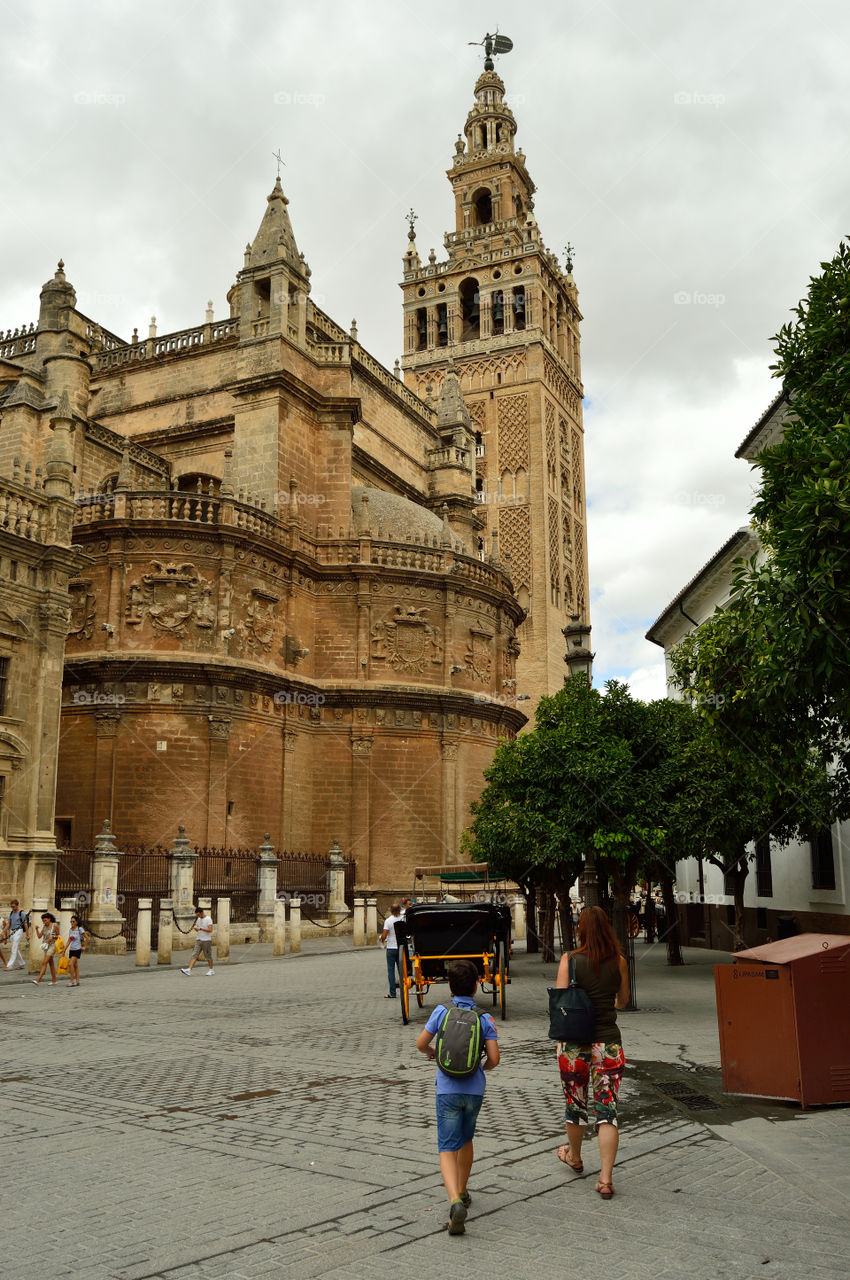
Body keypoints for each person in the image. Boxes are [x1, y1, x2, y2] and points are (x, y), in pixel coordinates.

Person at [416, 959, 499, 1235]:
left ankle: (454, 1202)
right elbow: (495, 1058)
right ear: (477, 987)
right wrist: (481, 1068)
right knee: (466, 1139)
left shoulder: (441, 1012)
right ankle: (463, 1191)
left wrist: (433, 1054)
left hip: (447, 1090)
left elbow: (420, 1043)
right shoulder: (484, 1018)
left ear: (450, 987)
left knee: (446, 1147)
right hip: (474, 1089)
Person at [555, 904, 629, 1201]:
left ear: (581, 930)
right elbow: (622, 1001)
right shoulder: (620, 961)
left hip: (574, 1046)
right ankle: (606, 1178)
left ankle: (574, 1156)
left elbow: (561, 1003)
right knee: (607, 1110)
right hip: (608, 1045)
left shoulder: (570, 960)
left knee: (576, 1105)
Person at [181, 906, 214, 976]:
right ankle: (189, 970)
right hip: (198, 939)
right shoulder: (198, 919)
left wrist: (200, 929)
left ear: (202, 913)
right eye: (197, 915)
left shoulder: (208, 919)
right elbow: (197, 927)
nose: (198, 916)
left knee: (208, 956)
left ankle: (211, 970)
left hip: (206, 940)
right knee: (194, 955)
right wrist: (196, 928)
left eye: (198, 914)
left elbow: (210, 930)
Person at [380, 902, 403, 998]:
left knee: (391, 971)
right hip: (401, 948)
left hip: (391, 948)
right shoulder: (403, 919)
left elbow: (384, 935)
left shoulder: (388, 921)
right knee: (401, 971)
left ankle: (392, 993)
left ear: (391, 910)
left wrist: (381, 938)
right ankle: (403, 990)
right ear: (399, 910)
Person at [32, 912, 60, 985]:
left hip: (52, 945)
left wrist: (53, 937)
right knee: (51, 963)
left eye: (45, 920)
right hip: (46, 946)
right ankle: (54, 981)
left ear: (49, 919)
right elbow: (39, 936)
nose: (44, 922)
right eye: (43, 921)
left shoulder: (55, 925)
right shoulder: (44, 927)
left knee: (44, 962)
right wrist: (37, 929)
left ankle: (38, 980)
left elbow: (59, 936)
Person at [5, 899, 29, 970]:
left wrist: (27, 935)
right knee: (15, 947)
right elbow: (9, 923)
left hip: (19, 930)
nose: (13, 908)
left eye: (14, 907)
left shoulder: (21, 913)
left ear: (17, 905)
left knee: (14, 947)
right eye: (11, 907)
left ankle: (10, 965)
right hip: (12, 931)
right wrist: (4, 931)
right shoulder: (11, 913)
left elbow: (25, 924)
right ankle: (21, 963)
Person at [66, 915, 87, 987]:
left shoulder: (80, 929)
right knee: (75, 966)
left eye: (73, 921)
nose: (72, 923)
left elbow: (86, 937)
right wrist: (64, 949)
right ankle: (77, 981)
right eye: (71, 921)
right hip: (72, 949)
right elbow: (69, 940)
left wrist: (84, 946)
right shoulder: (70, 930)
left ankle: (71, 981)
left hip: (78, 949)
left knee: (70, 964)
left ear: (77, 922)